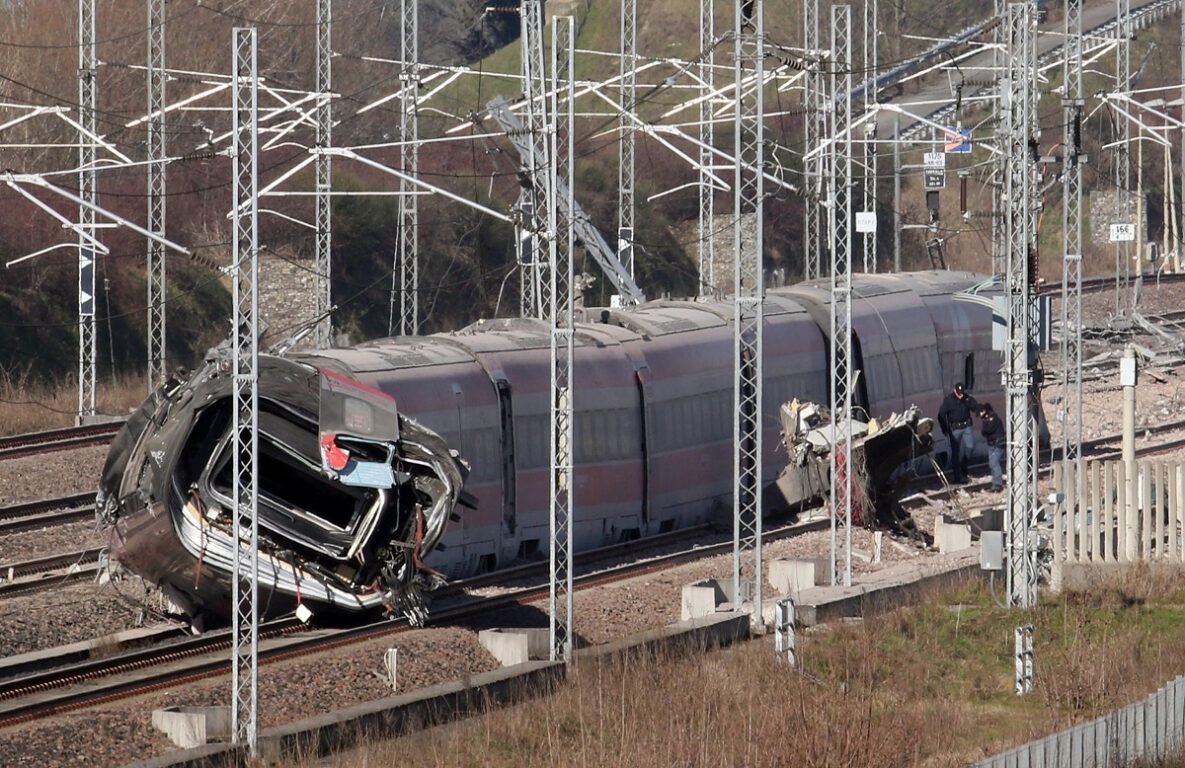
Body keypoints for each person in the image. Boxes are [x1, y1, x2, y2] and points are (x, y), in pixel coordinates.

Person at [938, 382, 980, 484]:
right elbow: (941, 415)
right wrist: (945, 429)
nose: (960, 395)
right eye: (958, 393)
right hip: (955, 429)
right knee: (955, 454)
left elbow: (975, 406)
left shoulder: (966, 398)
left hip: (966, 427)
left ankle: (963, 466)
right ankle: (957, 477)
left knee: (970, 446)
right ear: (954, 390)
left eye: (962, 393)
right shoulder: (948, 400)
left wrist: (980, 410)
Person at [980, 402, 1005, 492]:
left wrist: (986, 425)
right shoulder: (986, 420)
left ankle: (998, 484)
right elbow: (983, 432)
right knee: (992, 463)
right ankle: (995, 483)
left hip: (998, 444)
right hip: (991, 444)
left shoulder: (994, 419)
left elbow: (988, 430)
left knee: (995, 462)